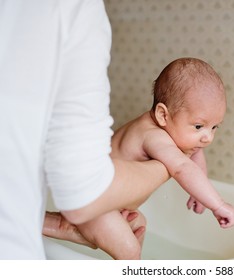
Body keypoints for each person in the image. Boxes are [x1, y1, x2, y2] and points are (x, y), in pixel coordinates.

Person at [0, 0, 169, 259]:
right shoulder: (71, 7)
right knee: (130, 251)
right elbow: (86, 194)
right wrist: (170, 166)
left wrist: (53, 223)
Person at [76, 57, 234, 259]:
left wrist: (199, 192)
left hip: (112, 205)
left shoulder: (176, 132)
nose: (208, 137)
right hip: (95, 204)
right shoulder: (152, 136)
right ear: (163, 115)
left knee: (139, 226)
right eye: (199, 126)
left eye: (214, 127)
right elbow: (182, 168)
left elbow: (195, 156)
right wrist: (218, 205)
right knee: (129, 250)